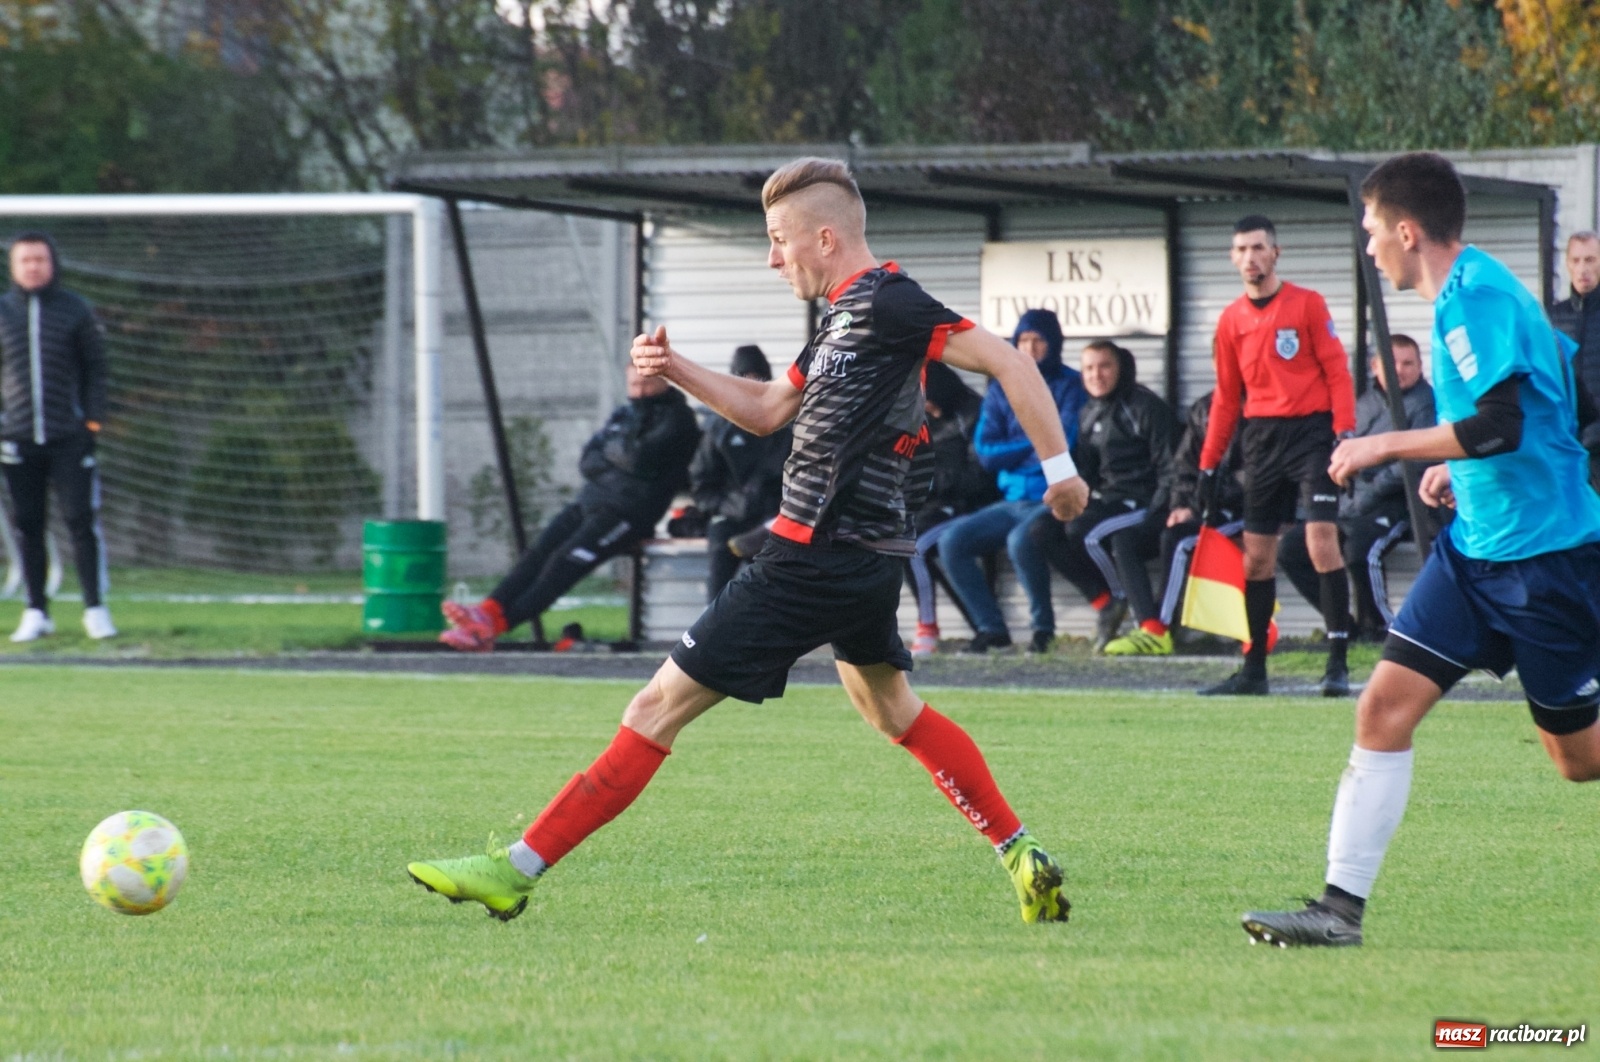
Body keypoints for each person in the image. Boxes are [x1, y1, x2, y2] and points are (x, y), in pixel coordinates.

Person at [408, 156, 1090, 925]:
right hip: (864, 563)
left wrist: (1061, 471)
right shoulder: (841, 317)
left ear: (824, 238)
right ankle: (1020, 851)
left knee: (654, 707)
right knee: (894, 711)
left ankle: (516, 869)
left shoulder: (891, 301)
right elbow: (769, 408)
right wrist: (675, 370)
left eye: (778, 240)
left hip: (811, 557)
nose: (772, 259)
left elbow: (1005, 360)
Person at [1241, 152, 1600, 948]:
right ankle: (1338, 911)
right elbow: (1554, 406)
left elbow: (1503, 425)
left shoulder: (1476, 300)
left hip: (1546, 563)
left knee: (1578, 762)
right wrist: (1454, 470)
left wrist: (1387, 447)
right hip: (1475, 554)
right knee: (1381, 708)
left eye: (1371, 232)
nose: (1369, 248)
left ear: (1407, 231)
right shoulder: (1469, 295)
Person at [1196, 215, 1358, 697]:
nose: (1251, 257)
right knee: (1256, 561)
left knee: (1320, 544)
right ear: (1233, 257)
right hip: (1261, 440)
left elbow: (1338, 372)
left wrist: (1344, 435)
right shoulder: (1230, 320)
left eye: (1259, 247)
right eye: (1242, 249)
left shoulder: (1307, 304)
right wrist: (1209, 461)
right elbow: (1227, 397)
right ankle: (1254, 670)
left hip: (1311, 436)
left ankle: (1337, 662)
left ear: (1276, 253)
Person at [440, 360, 700, 651]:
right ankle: (488, 610)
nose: (639, 391)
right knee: (538, 553)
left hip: (628, 513)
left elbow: (640, 459)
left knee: (563, 563)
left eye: (646, 384)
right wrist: (623, 456)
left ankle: (492, 629)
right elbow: (588, 460)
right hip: (590, 501)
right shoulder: (624, 414)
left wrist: (615, 452)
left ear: (663, 381)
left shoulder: (678, 419)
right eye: (634, 385)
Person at [937, 309, 1087, 654]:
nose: (1030, 348)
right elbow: (986, 452)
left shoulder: (1070, 385)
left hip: (1050, 498)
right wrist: (1037, 441)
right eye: (1023, 341)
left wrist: (1028, 447)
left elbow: (1064, 440)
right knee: (952, 541)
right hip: (1010, 499)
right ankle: (991, 629)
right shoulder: (1001, 387)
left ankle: (1042, 632)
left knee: (1023, 541)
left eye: (1038, 340)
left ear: (1054, 344)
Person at [1277, 335, 1436, 642]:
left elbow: (1413, 461)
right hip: (1349, 505)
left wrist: (1370, 492)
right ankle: (1343, 625)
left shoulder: (1426, 405)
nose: (1400, 370)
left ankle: (1387, 631)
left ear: (1420, 366)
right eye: (1392, 363)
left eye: (1408, 363)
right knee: (1292, 549)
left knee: (1360, 552)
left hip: (1399, 504)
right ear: (1376, 366)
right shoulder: (1362, 404)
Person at [0, 232, 114, 643]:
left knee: (80, 520)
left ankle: (95, 608)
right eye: (25, 260)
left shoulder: (75, 310)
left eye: (40, 260)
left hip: (70, 437)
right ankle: (36, 610)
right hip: (17, 439)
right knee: (28, 525)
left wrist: (93, 422)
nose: (33, 267)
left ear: (52, 264)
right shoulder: (3, 312)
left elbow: (96, 370)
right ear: (13, 266)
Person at [1028, 341, 1175, 653]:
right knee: (1041, 530)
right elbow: (1085, 472)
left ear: (1120, 367)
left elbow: (1170, 468)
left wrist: (1158, 512)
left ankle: (1124, 600)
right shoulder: (1089, 411)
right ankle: (1104, 599)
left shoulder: (1145, 407)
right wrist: (1065, 497)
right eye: (1089, 368)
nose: (1097, 375)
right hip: (1108, 501)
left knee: (1085, 532)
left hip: (1143, 502)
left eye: (1104, 366)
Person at [1141, 390, 1247, 651]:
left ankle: (1160, 628)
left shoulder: (1263, 406)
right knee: (1150, 536)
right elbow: (1184, 466)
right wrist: (1180, 505)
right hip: (1207, 507)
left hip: (1248, 511)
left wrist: (1200, 506)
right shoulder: (1204, 407)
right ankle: (1152, 624)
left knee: (1178, 541)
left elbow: (1250, 479)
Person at [687, 345, 791, 600]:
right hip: (730, 521)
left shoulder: (787, 426)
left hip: (773, 522)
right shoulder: (718, 430)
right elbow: (702, 485)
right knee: (719, 592)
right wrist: (730, 506)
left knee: (777, 590)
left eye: (757, 378)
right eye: (744, 378)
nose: (751, 385)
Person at [906, 359, 994, 656]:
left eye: (927, 400)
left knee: (914, 546)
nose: (926, 407)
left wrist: (933, 484)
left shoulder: (974, 413)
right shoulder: (920, 416)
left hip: (967, 505)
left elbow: (979, 475)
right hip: (932, 505)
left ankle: (927, 626)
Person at [1548, 231, 1600, 489]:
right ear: (1567, 264)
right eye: (1576, 260)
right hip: (1566, 446)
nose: (1583, 269)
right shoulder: (1553, 318)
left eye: (1590, 260)